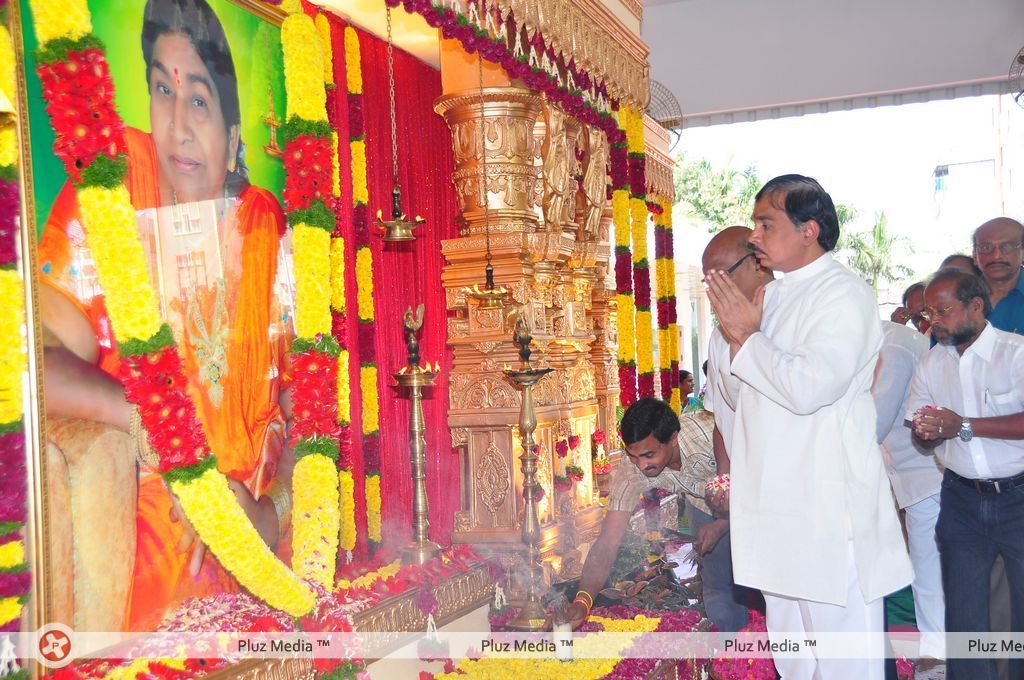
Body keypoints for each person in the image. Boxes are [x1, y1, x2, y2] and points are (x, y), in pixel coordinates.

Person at [39, 0, 290, 631]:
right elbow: (32, 361)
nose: (177, 125)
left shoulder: (262, 227)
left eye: (199, 101)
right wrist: (151, 429)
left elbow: (296, 417)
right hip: (139, 563)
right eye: (162, 88)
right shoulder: (112, 188)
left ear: (234, 139)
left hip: (258, 564)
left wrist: (262, 514)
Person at [705, 174, 912, 680]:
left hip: (826, 517)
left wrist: (748, 340)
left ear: (809, 230)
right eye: (755, 223)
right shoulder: (769, 299)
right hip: (775, 512)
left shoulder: (843, 294)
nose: (755, 235)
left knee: (845, 665)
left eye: (766, 223)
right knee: (795, 663)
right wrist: (733, 338)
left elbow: (809, 388)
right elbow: (738, 399)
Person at [907, 269, 1024, 680]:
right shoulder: (930, 363)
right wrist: (927, 432)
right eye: (928, 312)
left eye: (943, 311)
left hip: (1018, 496)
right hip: (960, 499)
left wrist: (963, 425)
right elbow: (923, 432)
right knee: (964, 613)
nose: (933, 321)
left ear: (976, 306)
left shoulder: (1016, 353)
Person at [567, 398, 689, 629]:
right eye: (633, 455)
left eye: (649, 455)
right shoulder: (630, 470)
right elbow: (606, 544)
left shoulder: (708, 437)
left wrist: (723, 522)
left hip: (746, 504)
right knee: (719, 592)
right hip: (704, 507)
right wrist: (583, 601)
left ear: (673, 438)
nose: (641, 465)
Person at [873, 320, 944, 662]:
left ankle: (936, 656)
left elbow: (874, 423)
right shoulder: (880, 340)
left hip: (925, 475)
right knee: (929, 569)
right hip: (911, 474)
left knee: (927, 570)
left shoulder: (893, 345)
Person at [973, 218, 1024, 334]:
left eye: (1006, 247)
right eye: (986, 247)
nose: (996, 256)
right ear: (975, 255)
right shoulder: (958, 299)